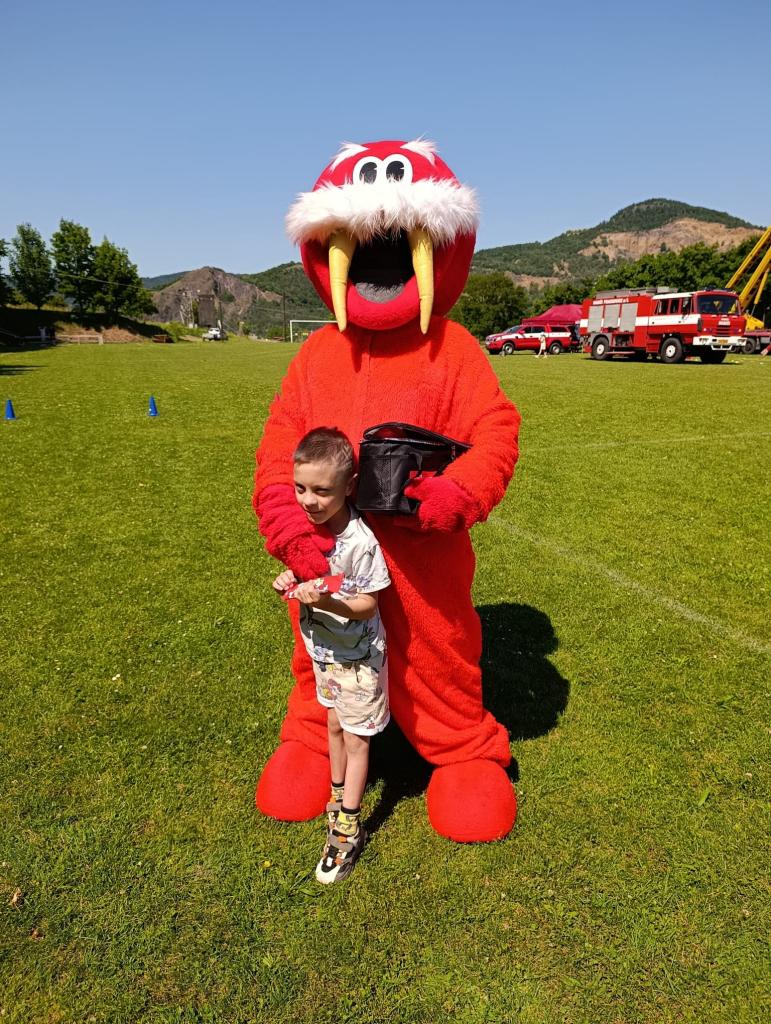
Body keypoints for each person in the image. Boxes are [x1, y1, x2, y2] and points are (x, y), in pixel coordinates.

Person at [272, 427, 390, 883]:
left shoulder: (360, 541)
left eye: (322, 491)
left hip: (358, 661)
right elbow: (308, 574)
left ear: (349, 486)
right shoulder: (310, 529)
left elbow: (369, 604)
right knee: (335, 725)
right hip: (324, 653)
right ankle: (338, 797)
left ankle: (348, 827)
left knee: (357, 740)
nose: (309, 501)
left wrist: (326, 602)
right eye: (301, 488)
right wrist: (288, 581)